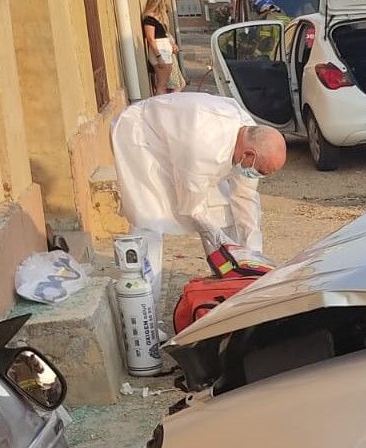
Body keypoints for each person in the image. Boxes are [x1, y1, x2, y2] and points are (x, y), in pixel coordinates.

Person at [111, 93, 287, 307]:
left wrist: (253, 256)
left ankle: (233, 283)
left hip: (181, 145)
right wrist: (223, 242)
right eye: (261, 171)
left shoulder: (249, 135)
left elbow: (245, 197)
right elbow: (194, 209)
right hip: (141, 138)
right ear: (249, 155)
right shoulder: (203, 145)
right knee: (149, 221)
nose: (259, 175)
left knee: (223, 212)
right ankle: (146, 309)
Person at [141, 0, 179, 96]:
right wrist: (158, 56)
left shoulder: (158, 18)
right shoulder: (149, 19)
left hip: (165, 51)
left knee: (164, 84)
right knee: (162, 85)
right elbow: (150, 38)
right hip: (160, 52)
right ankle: (159, 107)